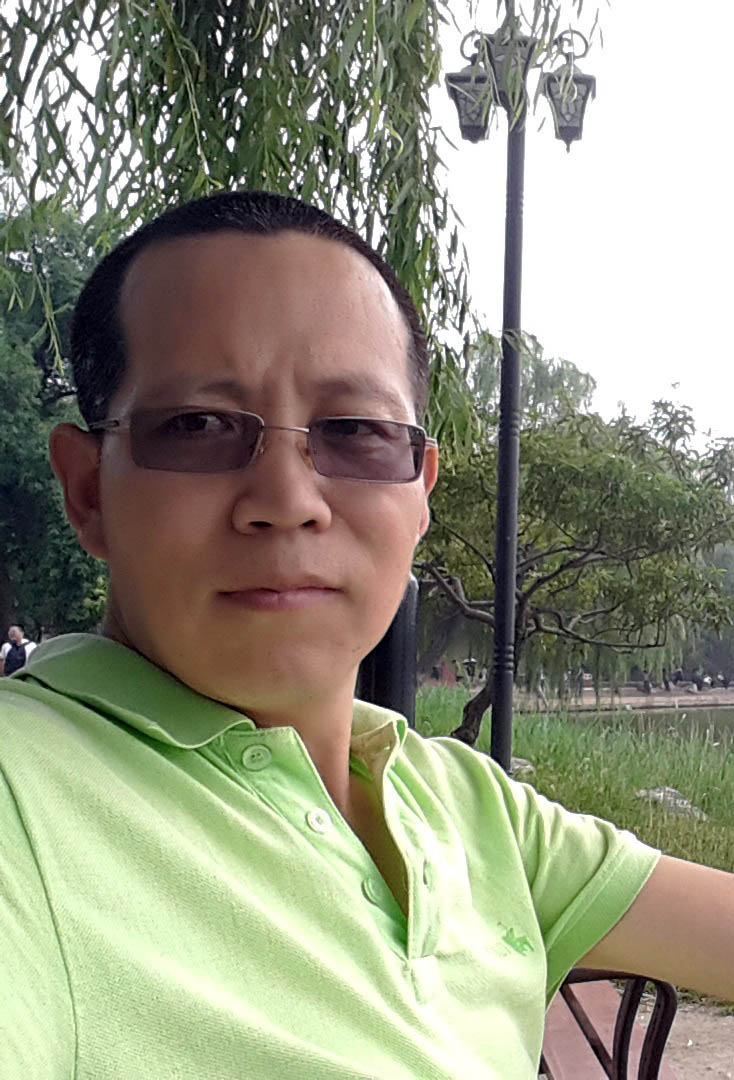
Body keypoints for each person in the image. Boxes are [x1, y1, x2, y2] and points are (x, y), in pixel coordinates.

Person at [0, 191, 732, 1079]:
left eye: (355, 432)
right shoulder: (24, 800)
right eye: (197, 426)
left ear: (421, 493)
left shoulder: (466, 807)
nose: (287, 501)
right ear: (87, 490)